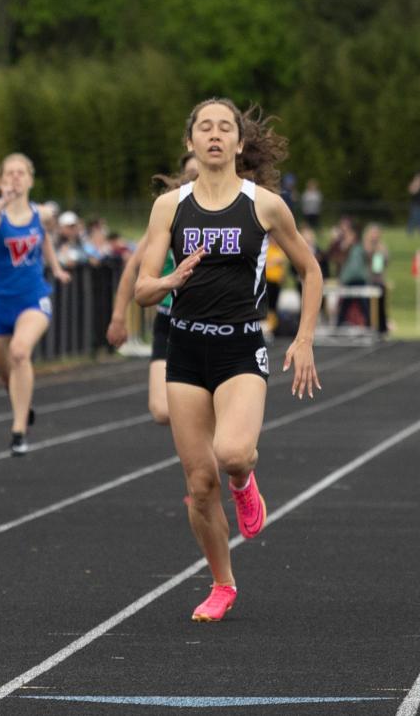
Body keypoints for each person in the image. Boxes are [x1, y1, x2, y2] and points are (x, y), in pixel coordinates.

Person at [134, 99, 322, 622]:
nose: (214, 135)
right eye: (204, 127)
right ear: (190, 142)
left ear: (240, 144)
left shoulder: (263, 205)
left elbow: (311, 271)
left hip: (240, 346)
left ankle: (244, 482)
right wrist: (169, 281)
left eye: (225, 128)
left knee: (234, 454)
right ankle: (222, 584)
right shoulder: (169, 207)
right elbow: (144, 287)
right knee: (198, 485)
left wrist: (303, 339)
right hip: (185, 348)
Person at [0, 153, 71, 456]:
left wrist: (56, 267)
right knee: (5, 374)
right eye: (8, 173)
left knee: (20, 352)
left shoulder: (38, 213)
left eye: (20, 173)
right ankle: (22, 407)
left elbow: (45, 240)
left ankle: (18, 431)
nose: (14, 178)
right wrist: (1, 203)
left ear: (30, 179)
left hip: (33, 298)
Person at [107, 152, 201, 425]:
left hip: (211, 320)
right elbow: (132, 270)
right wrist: (118, 317)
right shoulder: (168, 215)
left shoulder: (231, 212)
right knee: (162, 409)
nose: (196, 178)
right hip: (170, 319)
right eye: (190, 174)